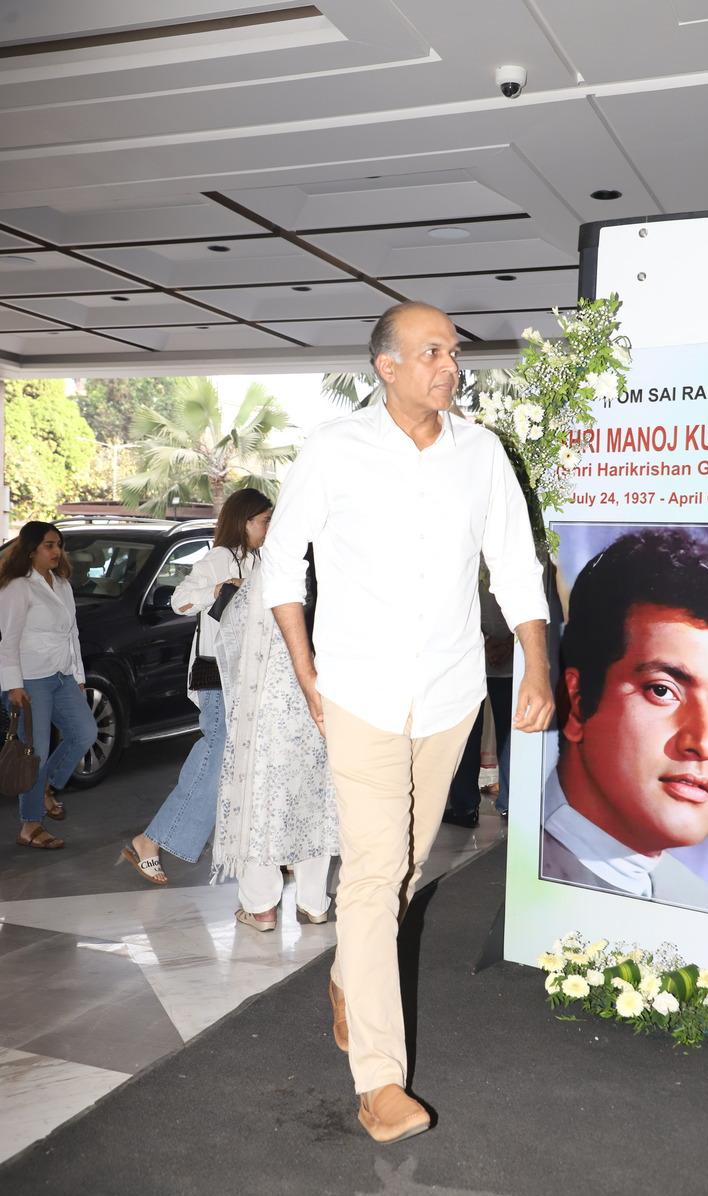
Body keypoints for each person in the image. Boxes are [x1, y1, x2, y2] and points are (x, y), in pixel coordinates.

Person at [263, 300, 552, 1143]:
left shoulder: (482, 454)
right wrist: (306, 671)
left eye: (453, 352)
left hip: (451, 695)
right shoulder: (334, 449)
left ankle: (351, 978)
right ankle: (380, 1082)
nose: (450, 366)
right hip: (361, 693)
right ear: (386, 367)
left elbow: (514, 564)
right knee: (372, 872)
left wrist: (537, 663)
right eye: (432, 352)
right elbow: (281, 563)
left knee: (404, 871)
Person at [541, 527, 708, 912]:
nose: (703, 743)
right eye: (662, 690)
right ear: (578, 701)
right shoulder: (534, 872)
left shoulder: (701, 907)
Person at [123, 488, 272, 885]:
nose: (269, 528)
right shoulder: (220, 557)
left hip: (249, 675)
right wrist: (220, 589)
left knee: (240, 761)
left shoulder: (262, 559)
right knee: (216, 754)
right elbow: (180, 601)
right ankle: (151, 840)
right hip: (216, 673)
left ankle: (261, 852)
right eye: (264, 521)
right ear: (244, 521)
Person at [211, 558, 339, 929]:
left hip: (269, 700)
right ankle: (314, 902)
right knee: (316, 794)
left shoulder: (278, 562)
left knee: (260, 797)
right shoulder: (335, 559)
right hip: (325, 695)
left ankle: (261, 906)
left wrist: (233, 593)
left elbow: (234, 626)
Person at [0, 521, 98, 849]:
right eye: (49, 545)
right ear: (31, 550)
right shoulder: (17, 587)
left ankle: (46, 786)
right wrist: (13, 686)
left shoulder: (62, 584)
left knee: (85, 733)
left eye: (59, 545)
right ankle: (30, 826)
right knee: (36, 753)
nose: (57, 551)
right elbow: (7, 640)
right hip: (30, 680)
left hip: (62, 675)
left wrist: (78, 676)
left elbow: (72, 634)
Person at [444, 568, 514, 827]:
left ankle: (500, 804)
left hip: (504, 653)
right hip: (473, 652)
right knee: (470, 731)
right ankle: (469, 805)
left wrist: (506, 644)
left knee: (509, 732)